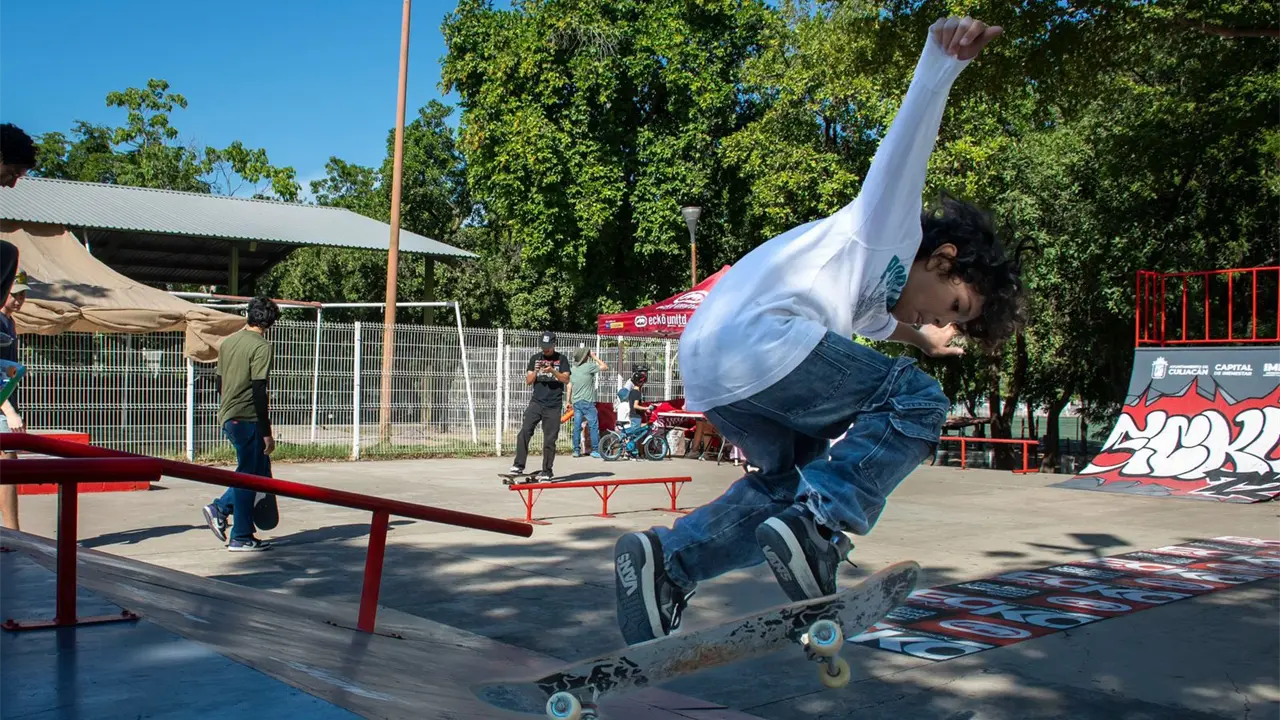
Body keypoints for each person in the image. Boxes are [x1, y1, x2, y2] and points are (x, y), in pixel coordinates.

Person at [613, 17, 1024, 645]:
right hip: (764, 343)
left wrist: (921, 341)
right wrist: (940, 64)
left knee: (782, 490)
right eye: (954, 307)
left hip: (715, 365)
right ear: (942, 260)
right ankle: (822, 527)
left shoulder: (864, 289)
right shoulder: (888, 229)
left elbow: (880, 321)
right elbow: (905, 147)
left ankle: (669, 564)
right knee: (916, 401)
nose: (941, 321)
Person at [201, 296, 280, 551]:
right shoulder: (261, 346)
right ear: (269, 322)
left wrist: (228, 408)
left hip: (228, 415)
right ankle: (235, 528)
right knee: (249, 476)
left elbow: (219, 383)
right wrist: (266, 431)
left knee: (254, 473)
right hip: (247, 418)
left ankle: (236, 523)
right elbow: (259, 389)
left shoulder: (229, 342)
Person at [510, 331, 571, 480]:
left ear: (554, 344)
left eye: (548, 347)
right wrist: (537, 371)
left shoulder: (561, 359)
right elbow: (528, 381)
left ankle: (547, 471)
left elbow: (566, 378)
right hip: (536, 402)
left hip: (553, 405)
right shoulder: (535, 358)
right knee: (524, 431)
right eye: (544, 347)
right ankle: (518, 465)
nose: (546, 350)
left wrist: (552, 370)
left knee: (550, 440)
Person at [0, 273, 28, 531]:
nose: (19, 300)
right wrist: (8, 411)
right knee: (8, 461)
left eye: (23, 295)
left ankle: (11, 531)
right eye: (15, 294)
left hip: (7, 399)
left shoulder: (10, 322)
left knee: (9, 461)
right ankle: (12, 532)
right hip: (1, 405)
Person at [566, 346, 608, 458]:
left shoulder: (572, 369)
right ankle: (595, 450)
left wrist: (568, 401)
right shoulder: (589, 367)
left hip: (576, 402)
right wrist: (594, 357)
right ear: (585, 357)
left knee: (577, 426)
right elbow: (605, 367)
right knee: (593, 426)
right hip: (588, 402)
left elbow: (569, 386)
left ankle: (576, 450)